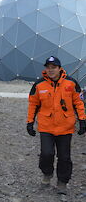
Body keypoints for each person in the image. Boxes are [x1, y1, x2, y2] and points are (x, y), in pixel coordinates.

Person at [26, 56, 86, 195]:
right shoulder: (39, 85)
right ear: (45, 69)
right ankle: (47, 174)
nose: (51, 70)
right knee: (47, 154)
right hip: (46, 126)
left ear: (60, 68)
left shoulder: (71, 83)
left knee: (64, 157)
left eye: (54, 67)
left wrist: (82, 120)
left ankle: (62, 182)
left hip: (65, 127)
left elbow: (78, 102)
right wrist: (30, 122)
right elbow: (33, 104)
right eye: (48, 67)